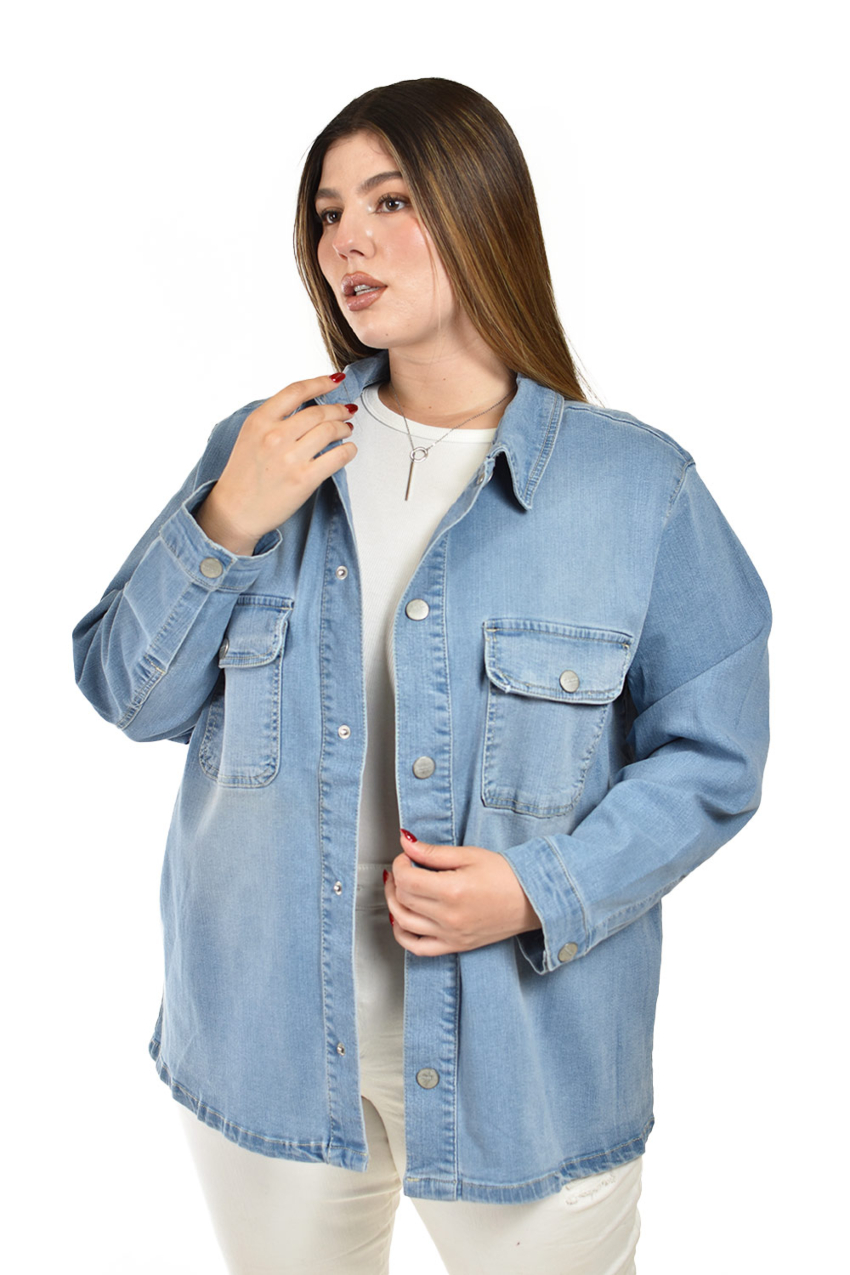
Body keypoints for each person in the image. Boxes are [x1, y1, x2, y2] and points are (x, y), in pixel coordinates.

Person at [72, 78, 771, 1275]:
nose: (347, 240)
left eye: (390, 201)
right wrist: (228, 519)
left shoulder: (634, 488)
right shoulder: (265, 446)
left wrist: (539, 889)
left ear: (481, 207)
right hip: (267, 1045)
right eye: (327, 213)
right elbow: (127, 695)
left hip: (527, 1062)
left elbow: (714, 756)